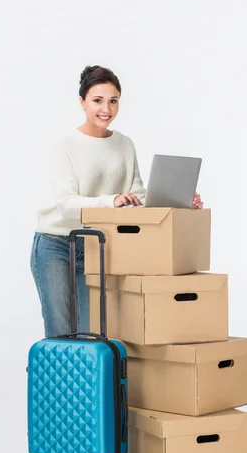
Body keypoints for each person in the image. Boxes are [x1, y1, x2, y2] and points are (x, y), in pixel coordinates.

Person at [31, 65, 204, 338]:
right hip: (57, 245)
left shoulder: (125, 144)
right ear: (82, 102)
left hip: (98, 245)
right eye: (97, 100)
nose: (106, 109)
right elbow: (66, 203)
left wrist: (180, 201)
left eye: (113, 101)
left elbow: (136, 196)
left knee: (93, 332)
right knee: (61, 333)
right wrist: (112, 201)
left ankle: (92, 382)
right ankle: (58, 381)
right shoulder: (64, 144)